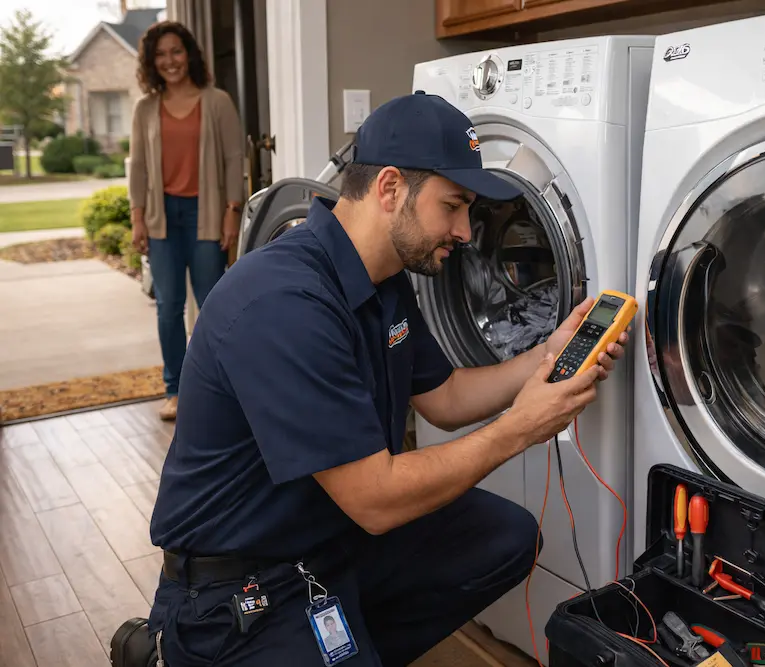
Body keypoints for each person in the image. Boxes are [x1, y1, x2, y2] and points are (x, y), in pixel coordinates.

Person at [114, 92, 630, 667]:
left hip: (327, 545)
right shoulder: (284, 301)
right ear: (390, 189)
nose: (464, 229)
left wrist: (546, 356)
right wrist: (523, 427)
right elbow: (377, 500)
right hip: (234, 592)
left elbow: (447, 397)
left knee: (503, 536)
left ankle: (343, 646)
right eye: (453, 205)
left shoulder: (382, 278)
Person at [127, 20, 245, 421]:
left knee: (213, 304)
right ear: (151, 62)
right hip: (163, 218)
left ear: (189, 54)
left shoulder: (217, 102)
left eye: (176, 51)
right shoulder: (145, 109)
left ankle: (217, 387)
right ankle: (175, 389)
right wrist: (137, 217)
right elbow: (139, 167)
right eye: (160, 55)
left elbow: (233, 160)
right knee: (168, 307)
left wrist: (233, 211)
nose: (169, 61)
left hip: (207, 214)